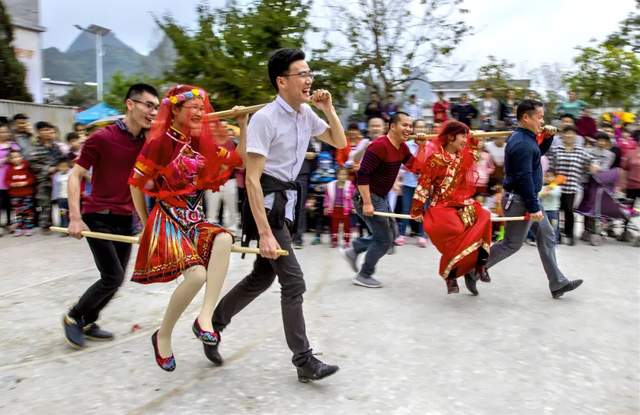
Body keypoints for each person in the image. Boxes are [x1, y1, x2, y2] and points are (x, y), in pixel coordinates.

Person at [210, 48, 345, 382]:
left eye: (310, 73)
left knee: (262, 276)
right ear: (282, 81)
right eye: (303, 74)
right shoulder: (265, 119)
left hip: (288, 202)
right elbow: (253, 180)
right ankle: (303, 360)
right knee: (294, 281)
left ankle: (213, 325)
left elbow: (339, 141)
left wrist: (327, 108)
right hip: (267, 206)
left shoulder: (305, 115)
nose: (309, 80)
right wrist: (265, 233)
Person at [129, 85, 243, 371]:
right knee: (196, 275)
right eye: (192, 107)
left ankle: (205, 318)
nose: (199, 112)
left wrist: (243, 125)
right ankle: (163, 335)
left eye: (202, 107)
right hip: (167, 219)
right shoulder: (159, 142)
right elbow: (136, 183)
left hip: (195, 219)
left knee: (224, 240)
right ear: (175, 110)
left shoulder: (202, 142)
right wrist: (145, 224)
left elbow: (236, 158)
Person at [62, 83, 160, 349]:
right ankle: (73, 317)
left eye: (156, 107)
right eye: (148, 105)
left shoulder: (148, 142)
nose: (153, 112)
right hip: (99, 216)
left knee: (116, 279)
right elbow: (75, 175)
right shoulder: (101, 138)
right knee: (112, 277)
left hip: (127, 219)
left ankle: (90, 321)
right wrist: (74, 217)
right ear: (131, 104)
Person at [484, 99, 583, 299]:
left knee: (546, 235)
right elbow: (524, 177)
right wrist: (533, 207)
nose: (542, 120)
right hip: (521, 200)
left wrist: (546, 138)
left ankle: (557, 283)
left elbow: (535, 156)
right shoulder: (522, 143)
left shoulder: (526, 138)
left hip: (528, 198)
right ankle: (474, 269)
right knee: (511, 244)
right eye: (539, 117)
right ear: (526, 117)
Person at [409, 120, 492, 295]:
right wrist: (416, 210)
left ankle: (480, 265)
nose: (465, 139)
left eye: (466, 136)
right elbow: (424, 185)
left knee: (484, 216)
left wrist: (475, 139)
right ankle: (451, 275)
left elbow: (474, 153)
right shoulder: (435, 160)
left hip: (460, 202)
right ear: (451, 137)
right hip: (440, 205)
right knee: (456, 229)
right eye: (463, 135)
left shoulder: (464, 156)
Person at [343, 112, 424, 288]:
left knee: (392, 234)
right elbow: (362, 175)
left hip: (380, 197)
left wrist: (422, 146)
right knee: (383, 241)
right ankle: (364, 275)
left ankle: (355, 248)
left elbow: (417, 167)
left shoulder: (402, 148)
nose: (409, 129)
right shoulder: (378, 146)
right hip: (367, 196)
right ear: (392, 126)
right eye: (405, 125)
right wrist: (367, 203)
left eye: (410, 126)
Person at [547, 125, 594, 245]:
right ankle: (555, 235)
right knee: (555, 210)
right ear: (562, 136)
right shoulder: (556, 149)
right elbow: (551, 166)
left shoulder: (580, 151)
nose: (569, 135)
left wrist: (594, 166)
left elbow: (592, 160)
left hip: (572, 186)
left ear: (576, 136)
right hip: (556, 186)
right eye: (567, 133)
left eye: (572, 133)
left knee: (569, 210)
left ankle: (570, 234)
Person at [396, 119, 429, 247]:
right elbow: (402, 162)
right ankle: (401, 234)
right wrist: (413, 168)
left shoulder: (430, 145)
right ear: (413, 130)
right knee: (405, 209)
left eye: (423, 127)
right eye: (418, 127)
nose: (420, 130)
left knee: (422, 209)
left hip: (423, 183)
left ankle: (422, 235)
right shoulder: (407, 145)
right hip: (408, 182)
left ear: (426, 130)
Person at [27, 121, 64, 232]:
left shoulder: (56, 146)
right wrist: (47, 169)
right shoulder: (34, 148)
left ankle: (62, 223)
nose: (47, 132)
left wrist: (60, 167)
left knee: (60, 201)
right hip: (43, 180)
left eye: (49, 130)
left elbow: (62, 159)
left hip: (58, 178)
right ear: (38, 132)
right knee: (45, 203)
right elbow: (32, 164)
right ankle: (46, 225)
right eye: (44, 130)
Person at [4, 149, 36, 236]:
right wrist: (12, 184)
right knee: (17, 212)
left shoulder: (26, 168)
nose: (16, 159)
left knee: (28, 211)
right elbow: (6, 181)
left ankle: (29, 227)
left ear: (21, 157)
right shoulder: (9, 169)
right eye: (13, 157)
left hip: (27, 194)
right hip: (15, 195)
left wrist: (25, 182)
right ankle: (19, 227)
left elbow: (32, 179)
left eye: (18, 156)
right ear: (10, 159)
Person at [324, 166, 355, 247]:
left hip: (345, 209)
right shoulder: (331, 185)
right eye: (341, 174)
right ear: (337, 175)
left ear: (347, 176)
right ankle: (334, 241)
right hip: (334, 208)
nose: (342, 176)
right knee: (334, 225)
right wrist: (326, 207)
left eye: (344, 174)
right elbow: (327, 197)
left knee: (347, 226)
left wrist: (353, 207)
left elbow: (353, 197)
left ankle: (347, 241)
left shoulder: (350, 186)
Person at [0, 119, 20, 234]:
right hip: (0, 180)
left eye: (6, 132)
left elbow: (20, 158)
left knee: (10, 204)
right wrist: (5, 160)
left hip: (13, 178)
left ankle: (9, 223)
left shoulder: (13, 145)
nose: (4, 134)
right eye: (1, 132)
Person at [51, 157, 72, 229]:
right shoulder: (56, 176)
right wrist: (54, 198)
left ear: (68, 166)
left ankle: (72, 226)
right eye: (61, 167)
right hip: (61, 198)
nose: (64, 168)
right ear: (58, 167)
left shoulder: (72, 173)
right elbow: (55, 188)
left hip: (70, 197)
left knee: (71, 213)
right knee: (63, 213)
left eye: (65, 166)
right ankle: (64, 226)